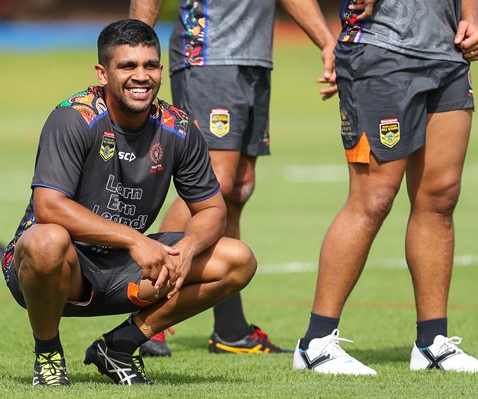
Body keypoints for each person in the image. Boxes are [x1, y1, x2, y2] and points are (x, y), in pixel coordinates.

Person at [0, 19, 257, 387]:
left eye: (150, 65)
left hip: (124, 267)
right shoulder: (73, 118)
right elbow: (49, 207)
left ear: (161, 71)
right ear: (102, 73)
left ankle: (120, 345)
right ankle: (48, 354)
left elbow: (213, 209)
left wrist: (187, 249)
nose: (141, 76)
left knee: (238, 259)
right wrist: (135, 240)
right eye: (128, 66)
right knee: (46, 240)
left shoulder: (179, 128)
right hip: (57, 266)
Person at [292, 0, 478, 375]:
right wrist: (325, 41)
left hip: (448, 52)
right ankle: (315, 344)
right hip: (380, 49)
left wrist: (470, 19)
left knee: (441, 197)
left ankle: (432, 344)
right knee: (373, 198)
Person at [130, 0, 336, 357]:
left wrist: (327, 42)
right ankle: (146, 313)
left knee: (238, 188)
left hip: (254, 59)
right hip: (208, 55)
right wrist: (135, 54)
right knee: (215, 183)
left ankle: (231, 329)